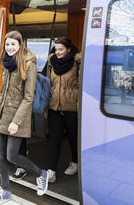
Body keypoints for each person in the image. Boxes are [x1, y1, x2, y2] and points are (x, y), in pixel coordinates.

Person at [0, 31, 49, 202]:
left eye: (13, 44)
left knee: (12, 156)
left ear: (20, 45)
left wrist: (16, 122)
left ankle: (41, 173)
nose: (9, 48)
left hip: (18, 117)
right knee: (1, 156)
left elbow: (28, 97)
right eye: (7, 44)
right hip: (3, 116)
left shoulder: (29, 64)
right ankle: (5, 191)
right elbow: (3, 93)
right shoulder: (6, 63)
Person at [44, 36, 80, 183]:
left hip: (72, 107)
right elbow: (47, 85)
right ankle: (51, 171)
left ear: (69, 49)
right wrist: (46, 106)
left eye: (61, 49)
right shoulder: (51, 63)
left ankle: (76, 162)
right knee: (54, 138)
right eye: (56, 49)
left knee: (73, 137)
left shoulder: (77, 62)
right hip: (54, 106)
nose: (58, 52)